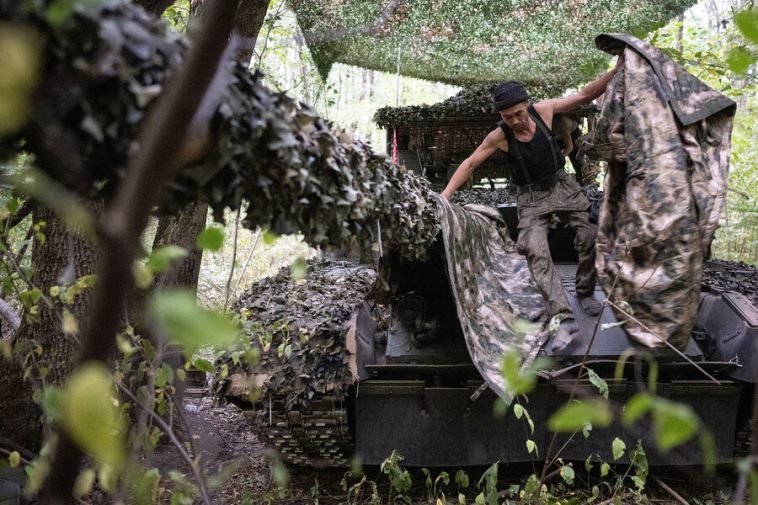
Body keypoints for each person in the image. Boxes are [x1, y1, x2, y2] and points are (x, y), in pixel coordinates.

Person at [440, 55, 623, 349]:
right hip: (531, 197)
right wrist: (444, 196)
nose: (514, 120)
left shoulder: (546, 111)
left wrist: (617, 70)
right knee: (536, 250)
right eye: (507, 117)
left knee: (590, 234)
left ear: (526, 103)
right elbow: (470, 163)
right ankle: (562, 317)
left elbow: (585, 95)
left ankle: (585, 290)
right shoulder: (498, 136)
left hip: (561, 185)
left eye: (517, 113)